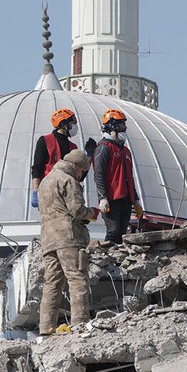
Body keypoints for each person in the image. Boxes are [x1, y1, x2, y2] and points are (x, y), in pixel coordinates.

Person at [38, 149, 94, 335]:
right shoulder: (68, 180)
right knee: (77, 277)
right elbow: (77, 210)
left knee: (52, 283)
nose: (81, 176)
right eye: (81, 171)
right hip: (68, 237)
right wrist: (93, 212)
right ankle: (79, 324)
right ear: (75, 166)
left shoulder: (45, 181)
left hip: (48, 238)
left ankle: (46, 328)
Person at [92, 108, 143, 245]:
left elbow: (129, 178)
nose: (124, 128)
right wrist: (103, 198)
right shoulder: (103, 148)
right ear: (112, 126)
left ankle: (119, 263)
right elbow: (99, 174)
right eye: (121, 124)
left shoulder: (125, 151)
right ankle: (108, 260)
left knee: (122, 233)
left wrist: (135, 200)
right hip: (112, 199)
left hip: (126, 200)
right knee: (113, 231)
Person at [31, 108, 78, 208]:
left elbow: (79, 174)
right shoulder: (45, 141)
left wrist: (89, 157)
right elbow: (37, 168)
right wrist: (36, 191)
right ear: (64, 124)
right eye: (73, 122)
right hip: (50, 191)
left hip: (67, 193)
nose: (75, 126)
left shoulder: (73, 147)